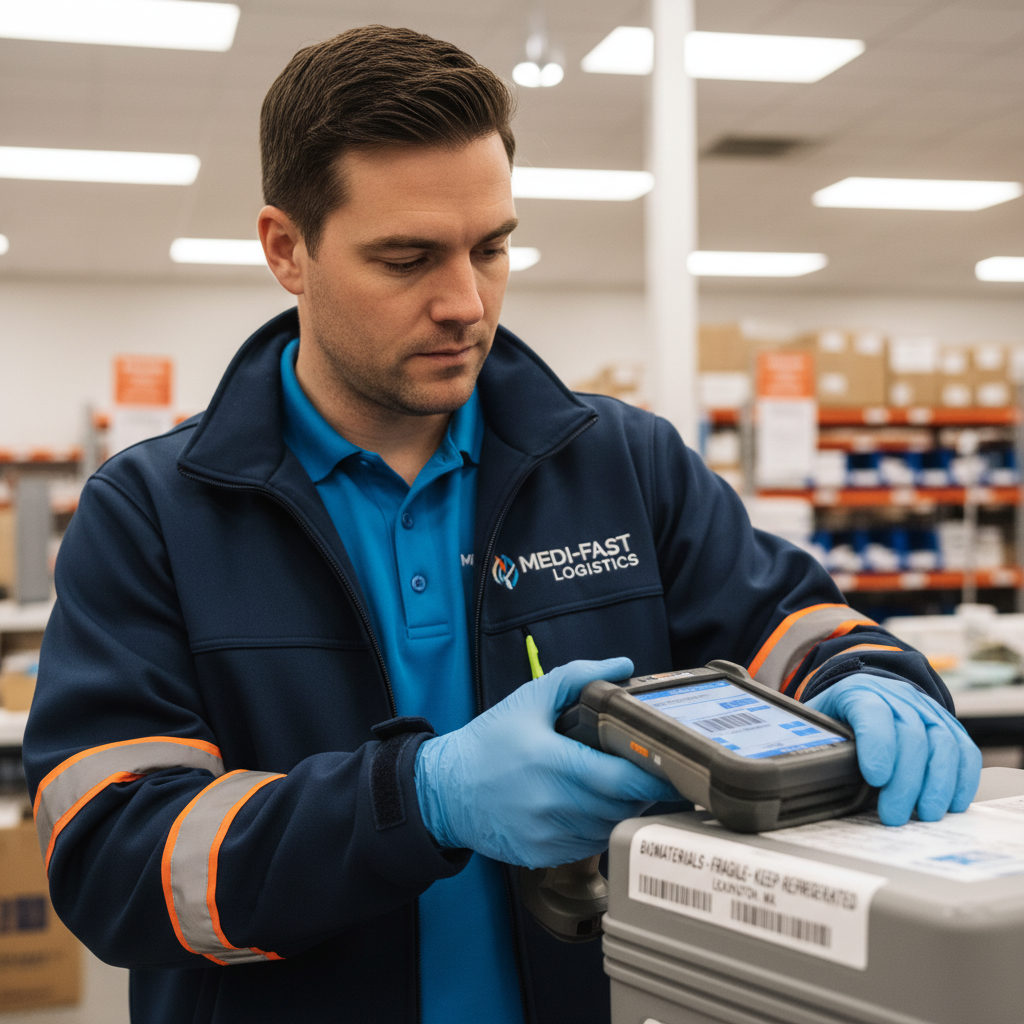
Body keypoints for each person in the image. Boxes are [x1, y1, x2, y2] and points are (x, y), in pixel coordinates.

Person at [24, 24, 981, 1024]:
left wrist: (869, 678)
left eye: (491, 248)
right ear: (286, 251)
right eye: (407, 258)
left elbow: (793, 629)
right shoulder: (151, 514)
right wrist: (421, 798)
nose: (465, 302)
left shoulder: (622, 463)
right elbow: (114, 860)